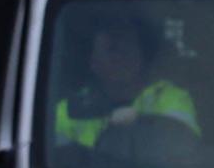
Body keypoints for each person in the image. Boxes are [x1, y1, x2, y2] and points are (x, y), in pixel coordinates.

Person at [50, 12, 199, 151]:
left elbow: (186, 147)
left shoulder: (170, 97)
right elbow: (55, 158)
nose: (122, 55)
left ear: (142, 55)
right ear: (93, 62)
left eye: (129, 45)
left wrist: (140, 122)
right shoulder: (68, 111)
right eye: (112, 48)